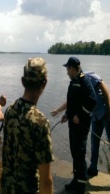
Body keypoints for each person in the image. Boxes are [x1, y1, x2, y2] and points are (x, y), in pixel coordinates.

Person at [0, 57, 54, 194]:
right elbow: (46, 180)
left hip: (5, 188)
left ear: (23, 81)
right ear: (44, 83)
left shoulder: (10, 110)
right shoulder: (40, 122)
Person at [51, 71, 110, 177]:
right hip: (95, 115)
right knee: (94, 143)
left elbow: (103, 86)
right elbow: (72, 102)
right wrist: (59, 111)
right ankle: (93, 169)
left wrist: (109, 110)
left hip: (106, 112)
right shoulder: (76, 85)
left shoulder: (88, 76)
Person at [56, 57, 97, 194]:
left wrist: (79, 116)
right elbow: (73, 102)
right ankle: (76, 180)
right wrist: (67, 115)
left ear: (73, 68)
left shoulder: (84, 80)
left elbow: (92, 101)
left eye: (67, 69)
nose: (66, 71)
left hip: (81, 125)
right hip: (73, 125)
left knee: (79, 152)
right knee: (74, 152)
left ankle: (81, 184)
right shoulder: (74, 81)